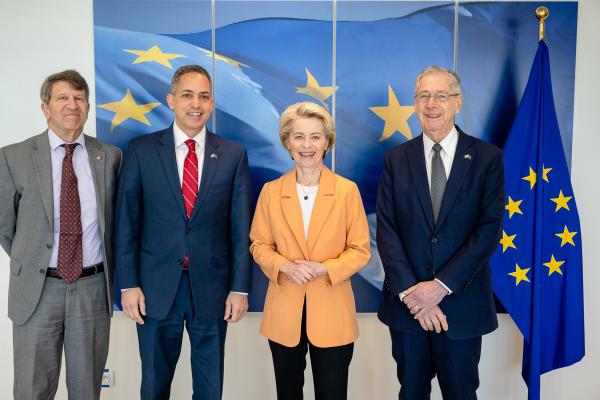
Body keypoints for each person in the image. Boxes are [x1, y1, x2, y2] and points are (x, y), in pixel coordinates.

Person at [115, 64, 252, 400]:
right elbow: (127, 224)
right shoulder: (141, 151)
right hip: (155, 289)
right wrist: (128, 284)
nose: (196, 103)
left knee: (209, 389)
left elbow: (240, 228)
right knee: (154, 386)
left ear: (212, 102)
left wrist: (240, 289)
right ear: (171, 100)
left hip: (213, 290)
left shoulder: (233, 155)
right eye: (188, 95)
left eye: (204, 96)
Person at [376, 66, 504, 399]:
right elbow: (387, 230)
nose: (432, 104)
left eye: (441, 95)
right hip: (408, 308)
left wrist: (440, 287)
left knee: (461, 393)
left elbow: (488, 229)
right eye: (423, 96)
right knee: (411, 392)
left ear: (458, 103)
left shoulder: (487, 158)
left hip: (461, 306)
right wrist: (415, 296)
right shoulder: (395, 159)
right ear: (415, 104)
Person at [0, 70, 121, 399]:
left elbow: (114, 222)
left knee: (86, 390)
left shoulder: (109, 157)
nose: (72, 105)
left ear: (88, 107)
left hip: (92, 290)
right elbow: (5, 226)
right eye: (63, 98)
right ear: (45, 108)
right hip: (37, 292)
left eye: (79, 98)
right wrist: (37, 258)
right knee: (32, 389)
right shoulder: (14, 157)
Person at [250, 101, 370, 400]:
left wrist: (324, 269)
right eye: (299, 136)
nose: (307, 145)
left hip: (333, 313)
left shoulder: (347, 191)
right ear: (287, 142)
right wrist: (285, 266)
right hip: (284, 314)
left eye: (315, 136)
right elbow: (259, 245)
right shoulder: (271, 191)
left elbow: (360, 250)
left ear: (327, 142)